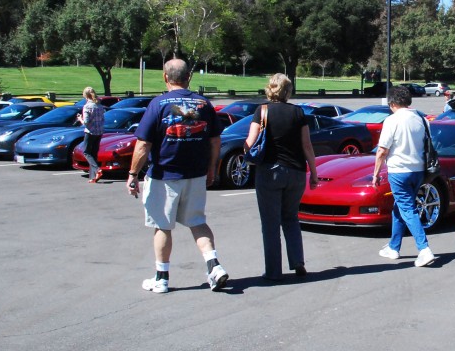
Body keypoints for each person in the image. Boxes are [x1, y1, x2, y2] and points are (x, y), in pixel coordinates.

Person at [127, 59, 227, 294]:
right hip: (195, 175)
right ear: (188, 77)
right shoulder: (203, 103)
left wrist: (132, 173)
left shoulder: (158, 104)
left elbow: (143, 144)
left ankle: (161, 278)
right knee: (197, 222)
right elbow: (215, 141)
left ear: (165, 77)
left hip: (165, 175)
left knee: (162, 226)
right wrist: (211, 169)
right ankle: (214, 266)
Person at [245, 73, 319, 279]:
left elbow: (250, 142)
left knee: (270, 224)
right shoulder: (298, 112)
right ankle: (297, 261)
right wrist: (314, 173)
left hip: (269, 172)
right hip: (296, 172)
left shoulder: (262, 111)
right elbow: (307, 145)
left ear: (270, 89)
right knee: (291, 218)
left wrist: (247, 154)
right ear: (288, 91)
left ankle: (273, 271)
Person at [371, 85, 436, 267]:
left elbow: (382, 150)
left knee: (407, 208)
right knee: (400, 207)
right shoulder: (422, 120)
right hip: (419, 171)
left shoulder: (392, 121)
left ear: (392, 103)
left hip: (399, 171)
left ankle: (424, 249)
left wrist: (375, 174)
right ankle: (393, 247)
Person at [80, 86, 106, 184]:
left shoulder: (87, 106)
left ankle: (97, 169)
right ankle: (93, 177)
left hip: (90, 132)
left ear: (86, 96)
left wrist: (80, 119)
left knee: (86, 152)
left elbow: (86, 122)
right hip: (99, 132)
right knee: (94, 154)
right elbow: (103, 119)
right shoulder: (100, 106)